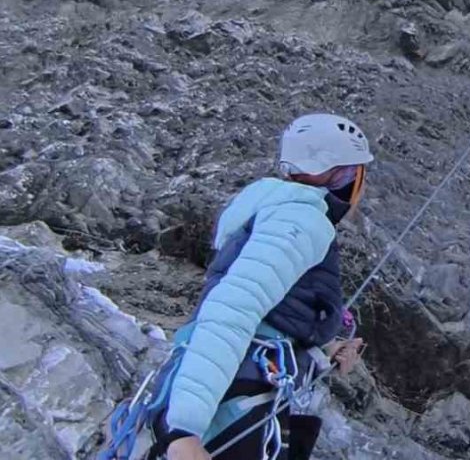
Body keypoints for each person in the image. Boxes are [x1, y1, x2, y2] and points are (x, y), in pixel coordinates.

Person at [150, 113, 374, 460]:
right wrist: (183, 430)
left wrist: (326, 347)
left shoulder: (276, 211)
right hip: (233, 403)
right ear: (342, 175)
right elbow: (233, 309)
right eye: (358, 173)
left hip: (241, 391)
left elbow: (270, 309)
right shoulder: (301, 219)